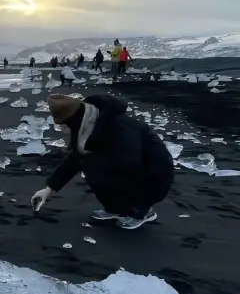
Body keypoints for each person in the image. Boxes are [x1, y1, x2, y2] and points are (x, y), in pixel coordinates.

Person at [31, 94, 174, 230]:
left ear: (74, 120)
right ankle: (115, 208)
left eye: (64, 125)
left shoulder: (117, 124)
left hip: (155, 175)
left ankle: (142, 211)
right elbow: (73, 160)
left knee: (93, 166)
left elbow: (129, 162)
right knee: (88, 164)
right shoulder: (87, 127)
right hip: (128, 169)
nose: (63, 129)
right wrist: (48, 190)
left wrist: (94, 162)